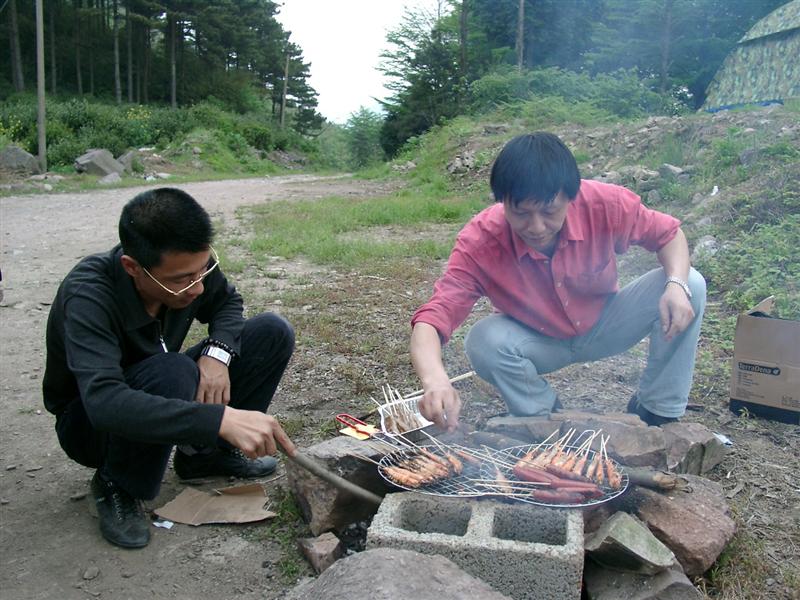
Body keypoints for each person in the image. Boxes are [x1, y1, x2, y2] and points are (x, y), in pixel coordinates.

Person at [43, 188, 297, 549]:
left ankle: (204, 457)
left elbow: (228, 303)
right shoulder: (88, 294)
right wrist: (220, 420)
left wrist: (218, 353)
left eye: (203, 270)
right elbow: (104, 401)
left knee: (272, 332)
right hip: (88, 424)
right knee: (171, 370)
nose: (197, 287)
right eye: (181, 280)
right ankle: (117, 482)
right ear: (132, 267)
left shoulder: (190, 268)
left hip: (159, 382)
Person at [410, 132, 706, 432]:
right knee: (484, 340)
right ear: (502, 202)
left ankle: (658, 410)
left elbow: (669, 235)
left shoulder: (604, 204)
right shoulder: (481, 240)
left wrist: (676, 286)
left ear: (570, 196)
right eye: (521, 213)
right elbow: (433, 318)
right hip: (539, 341)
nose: (536, 227)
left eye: (549, 211)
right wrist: (435, 380)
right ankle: (544, 417)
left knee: (689, 284)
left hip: (606, 324)